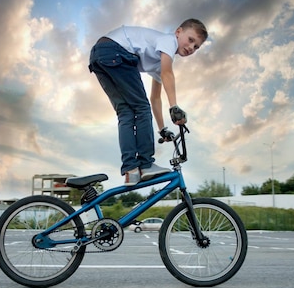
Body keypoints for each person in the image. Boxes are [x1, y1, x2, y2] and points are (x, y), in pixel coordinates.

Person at [88, 19, 208, 185]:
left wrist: (162, 129)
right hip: (117, 51)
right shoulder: (168, 41)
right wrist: (174, 107)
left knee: (126, 112)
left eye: (196, 47)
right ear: (178, 32)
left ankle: (131, 170)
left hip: (101, 55)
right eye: (191, 40)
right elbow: (167, 74)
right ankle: (145, 164)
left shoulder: (159, 59)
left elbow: (155, 98)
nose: (191, 48)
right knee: (141, 108)